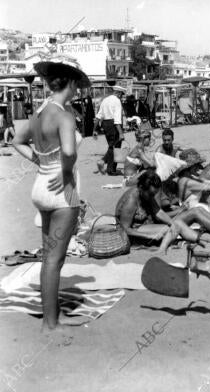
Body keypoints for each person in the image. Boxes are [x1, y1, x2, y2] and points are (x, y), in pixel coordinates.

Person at [12, 57, 91, 333]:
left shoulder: (40, 112)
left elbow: (16, 141)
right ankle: (50, 324)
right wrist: (65, 171)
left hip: (41, 187)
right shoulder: (65, 115)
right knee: (54, 260)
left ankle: (53, 315)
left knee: (49, 258)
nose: (79, 88)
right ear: (69, 82)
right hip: (62, 193)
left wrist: (42, 162)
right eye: (77, 84)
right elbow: (69, 152)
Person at [116, 169, 210, 253]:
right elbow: (125, 229)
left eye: (154, 193)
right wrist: (148, 235)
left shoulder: (146, 193)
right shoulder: (131, 200)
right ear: (141, 187)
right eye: (150, 193)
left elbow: (158, 212)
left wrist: (171, 223)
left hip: (151, 223)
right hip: (138, 230)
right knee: (177, 225)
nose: (152, 196)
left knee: (197, 210)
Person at [95, 86, 126, 175]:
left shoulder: (105, 100)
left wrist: (95, 129)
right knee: (115, 147)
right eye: (121, 95)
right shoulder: (117, 101)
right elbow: (117, 119)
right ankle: (109, 168)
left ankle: (107, 165)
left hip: (105, 124)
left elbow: (98, 116)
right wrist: (120, 133)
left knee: (111, 145)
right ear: (119, 93)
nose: (121, 97)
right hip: (114, 125)